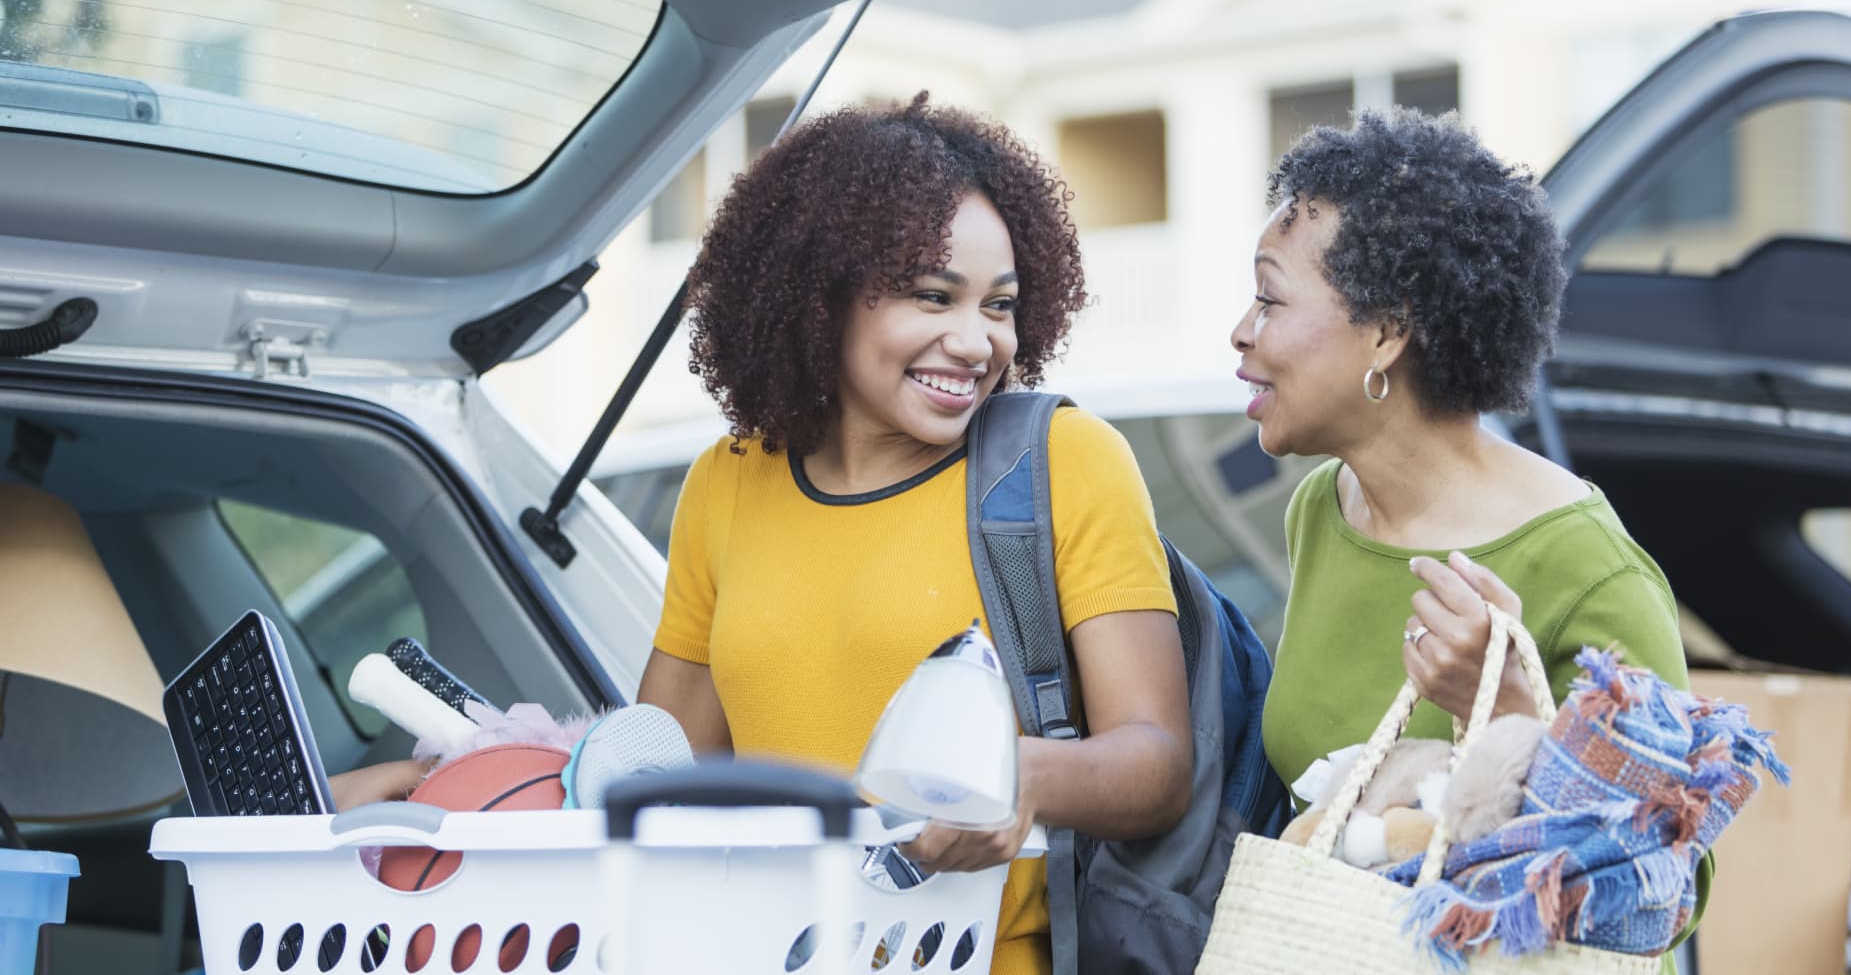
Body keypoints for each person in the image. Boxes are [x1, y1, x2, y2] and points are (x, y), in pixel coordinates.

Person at [635, 92, 1191, 975]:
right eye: (934, 297)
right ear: (821, 298)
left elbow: (1156, 764)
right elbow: (664, 773)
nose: (975, 342)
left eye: (999, 306)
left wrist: (1015, 776)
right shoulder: (726, 480)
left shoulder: (1065, 460)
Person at [1233, 107, 1707, 968]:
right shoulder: (1321, 510)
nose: (1242, 331)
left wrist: (1509, 714)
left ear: (1387, 332)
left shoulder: (1588, 566)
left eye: (1269, 299)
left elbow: (1668, 885)